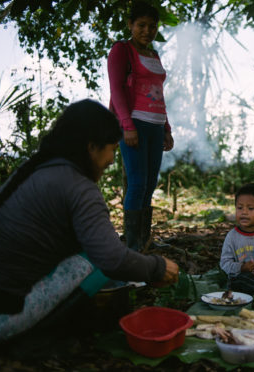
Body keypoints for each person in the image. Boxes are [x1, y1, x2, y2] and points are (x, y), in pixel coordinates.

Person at [0, 99, 179, 342]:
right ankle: (46, 336)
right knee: (92, 262)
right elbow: (111, 258)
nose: (111, 159)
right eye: (111, 149)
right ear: (91, 148)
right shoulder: (78, 187)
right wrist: (157, 268)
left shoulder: (32, 169)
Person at [108, 1, 173, 252]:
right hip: (134, 123)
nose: (147, 30)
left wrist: (167, 128)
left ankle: (144, 241)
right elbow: (116, 90)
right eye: (141, 25)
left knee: (150, 183)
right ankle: (132, 247)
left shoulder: (154, 55)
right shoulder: (121, 50)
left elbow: (159, 93)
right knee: (136, 183)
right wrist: (127, 125)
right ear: (130, 25)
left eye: (152, 26)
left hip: (156, 125)